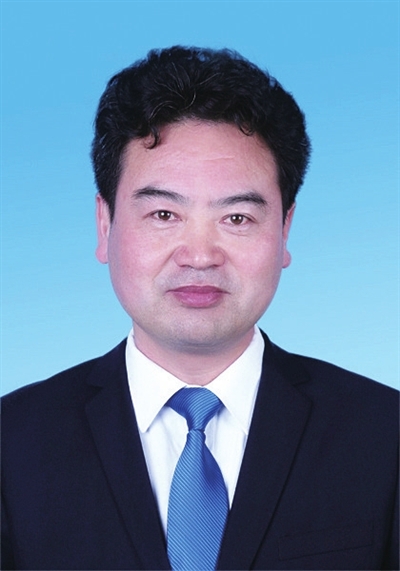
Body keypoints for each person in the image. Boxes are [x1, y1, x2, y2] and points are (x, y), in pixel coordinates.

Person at [1, 46, 398, 571]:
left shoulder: (384, 436)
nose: (200, 255)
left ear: (285, 230)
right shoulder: (12, 443)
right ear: (105, 224)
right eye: (164, 214)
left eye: (237, 218)